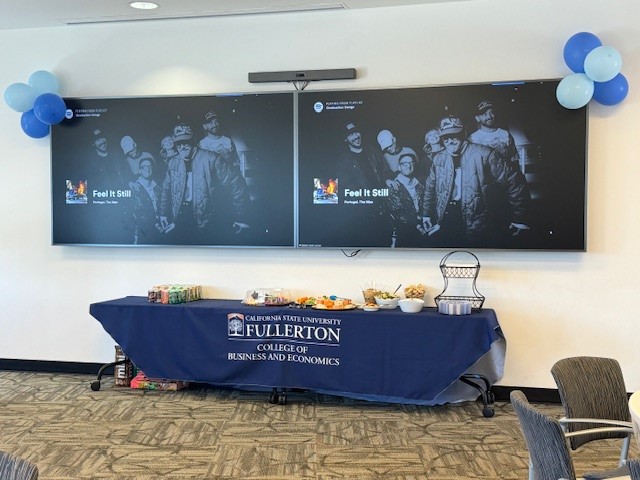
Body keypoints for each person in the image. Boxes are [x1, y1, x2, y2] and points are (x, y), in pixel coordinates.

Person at [421, 115, 530, 247]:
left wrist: (520, 220)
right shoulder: (438, 158)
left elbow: (515, 184)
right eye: (445, 137)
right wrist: (426, 215)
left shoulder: (486, 154)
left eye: (454, 136)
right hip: (447, 220)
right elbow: (430, 189)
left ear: (464, 134)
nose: (449, 141)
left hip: (480, 222)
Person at [159, 120, 251, 243]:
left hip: (208, 220)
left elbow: (237, 186)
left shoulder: (212, 158)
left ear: (193, 141)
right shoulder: (173, 163)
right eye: (179, 144)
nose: (182, 147)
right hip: (181, 219)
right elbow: (166, 190)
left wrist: (242, 217)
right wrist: (163, 214)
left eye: (185, 142)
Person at [337, 122, 390, 192]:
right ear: (345, 139)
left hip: (381, 196)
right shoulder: (344, 161)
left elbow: (385, 170)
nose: (356, 136)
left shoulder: (372, 151)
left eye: (356, 132)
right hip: (364, 200)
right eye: (351, 134)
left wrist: (387, 180)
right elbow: (345, 185)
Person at [387, 152, 425, 248]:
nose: (408, 165)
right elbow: (397, 214)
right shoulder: (394, 186)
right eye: (404, 163)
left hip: (422, 226)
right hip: (404, 231)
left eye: (411, 163)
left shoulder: (420, 185)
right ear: (399, 167)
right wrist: (418, 225)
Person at [469, 100, 520, 168]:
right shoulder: (472, 139)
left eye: (491, 113)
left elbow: (514, 160)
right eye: (484, 114)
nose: (489, 117)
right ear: (477, 118)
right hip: (485, 178)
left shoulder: (506, 134)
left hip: (506, 177)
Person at [128, 158, 162, 244]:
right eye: (144, 167)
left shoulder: (157, 187)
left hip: (158, 229)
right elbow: (137, 213)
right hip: (143, 231)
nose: (148, 169)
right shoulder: (135, 188)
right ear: (140, 170)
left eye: (150, 166)